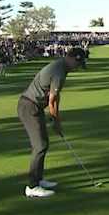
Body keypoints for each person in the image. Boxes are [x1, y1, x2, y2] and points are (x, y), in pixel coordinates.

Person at [17, 47, 87, 198]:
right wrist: (56, 121)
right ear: (72, 58)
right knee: (40, 146)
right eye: (77, 64)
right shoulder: (59, 70)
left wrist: (56, 118)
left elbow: (56, 96)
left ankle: (38, 179)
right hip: (29, 106)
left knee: (43, 143)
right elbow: (52, 100)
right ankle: (32, 186)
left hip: (34, 106)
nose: (77, 68)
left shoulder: (62, 68)